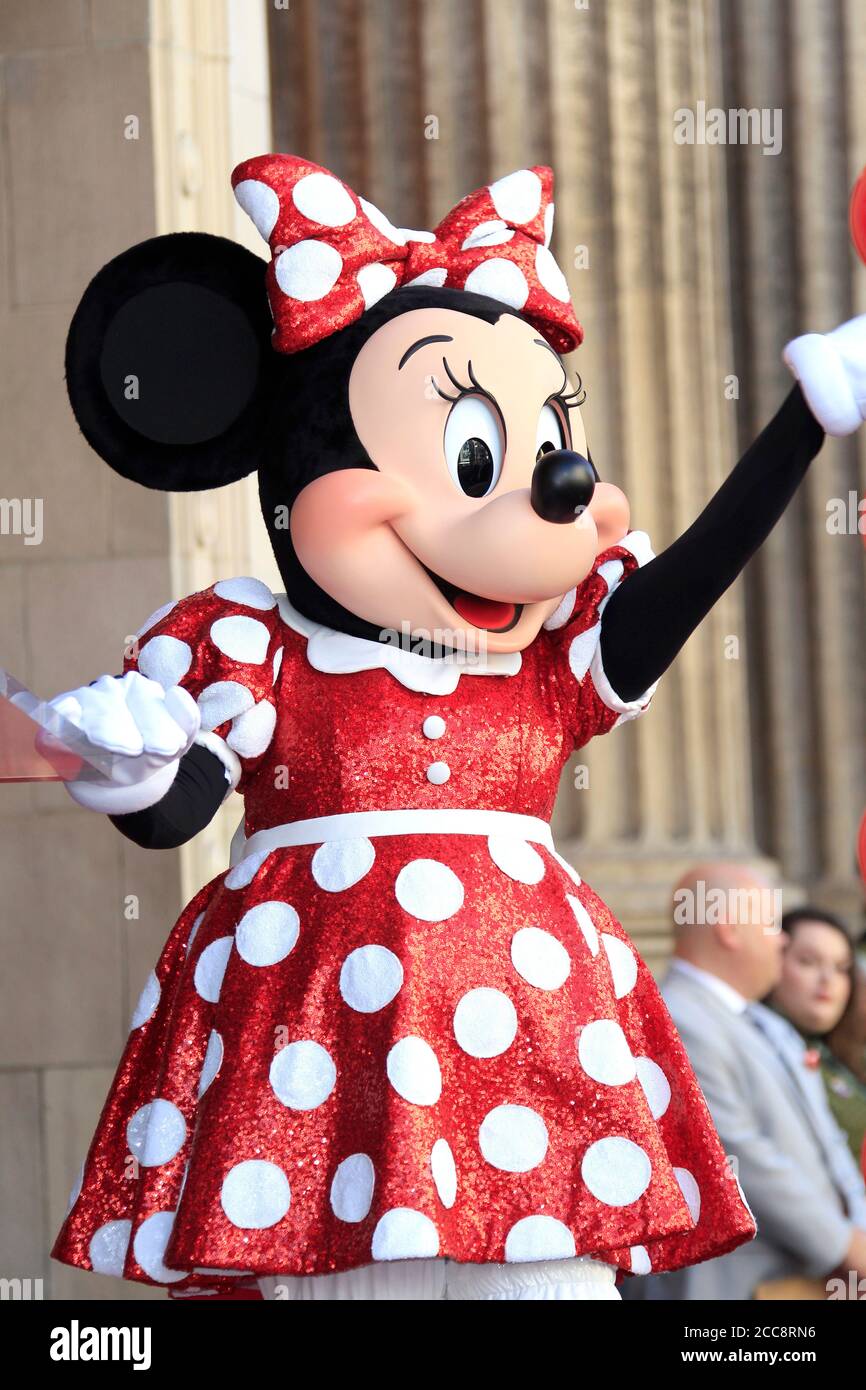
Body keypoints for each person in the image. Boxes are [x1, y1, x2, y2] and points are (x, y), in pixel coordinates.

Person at [39, 153, 866, 1299]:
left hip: (533, 1059)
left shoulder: (546, 661)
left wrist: (802, 421)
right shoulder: (251, 648)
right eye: (481, 455)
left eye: (545, 445)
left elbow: (684, 583)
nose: (558, 488)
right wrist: (128, 762)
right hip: (316, 1074)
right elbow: (175, 809)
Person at [625, 864, 866, 1300]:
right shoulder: (682, 1018)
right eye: (772, 924)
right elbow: (741, 1155)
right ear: (730, 928)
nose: (783, 940)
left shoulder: (746, 1019)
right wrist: (844, 1244)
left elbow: (821, 1142)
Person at [767, 909, 866, 1167]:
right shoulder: (759, 1052)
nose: (828, 980)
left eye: (841, 968)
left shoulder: (838, 1053)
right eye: (808, 962)